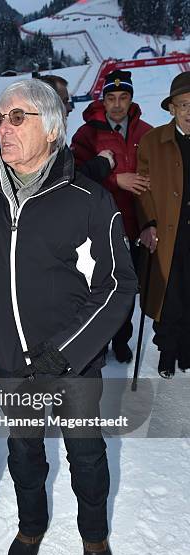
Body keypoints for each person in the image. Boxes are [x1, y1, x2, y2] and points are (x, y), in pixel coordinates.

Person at [0, 79, 137, 555]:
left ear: (51, 130)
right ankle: (31, 527)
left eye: (17, 117)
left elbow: (117, 285)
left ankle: (94, 535)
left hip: (73, 363)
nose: (3, 127)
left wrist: (65, 352)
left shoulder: (88, 199)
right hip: (10, 361)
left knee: (86, 454)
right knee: (23, 451)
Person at [71, 70, 152, 363]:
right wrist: (117, 179)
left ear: (131, 99)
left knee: (126, 287)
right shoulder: (86, 134)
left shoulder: (146, 133)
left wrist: (149, 223)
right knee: (99, 284)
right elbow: (76, 177)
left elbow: (156, 182)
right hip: (98, 224)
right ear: (103, 99)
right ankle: (98, 339)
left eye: (123, 97)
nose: (117, 104)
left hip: (132, 223)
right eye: (111, 97)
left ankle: (121, 337)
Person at [136, 71, 190, 378]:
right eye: (183, 105)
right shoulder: (152, 141)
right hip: (168, 234)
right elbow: (142, 188)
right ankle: (168, 353)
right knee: (170, 297)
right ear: (172, 108)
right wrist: (148, 223)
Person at [37, 74, 115, 183]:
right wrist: (101, 164)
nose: (69, 108)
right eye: (64, 101)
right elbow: (63, 184)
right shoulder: (37, 144)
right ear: (46, 104)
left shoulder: (50, 140)